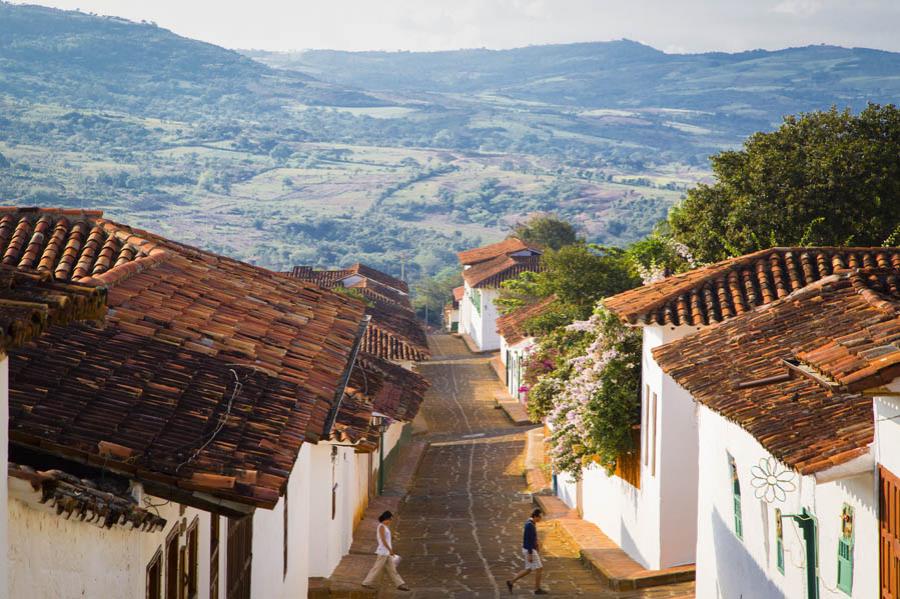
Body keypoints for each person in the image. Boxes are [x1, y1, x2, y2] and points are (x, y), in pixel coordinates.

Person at [362, 510, 410, 592]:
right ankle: (367, 582)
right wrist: (390, 549)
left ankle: (400, 584)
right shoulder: (381, 527)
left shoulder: (384, 526)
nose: (390, 521)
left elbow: (386, 539)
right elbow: (383, 540)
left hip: (386, 552)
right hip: (383, 552)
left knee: (392, 569)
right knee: (377, 568)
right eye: (390, 519)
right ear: (386, 518)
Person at [507, 508, 546, 595]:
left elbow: (532, 538)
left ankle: (511, 582)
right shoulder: (529, 526)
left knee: (528, 569)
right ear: (535, 516)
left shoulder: (531, 523)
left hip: (529, 549)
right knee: (539, 568)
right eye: (540, 517)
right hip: (529, 550)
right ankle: (537, 589)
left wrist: (536, 545)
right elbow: (528, 540)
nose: (541, 519)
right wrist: (530, 554)